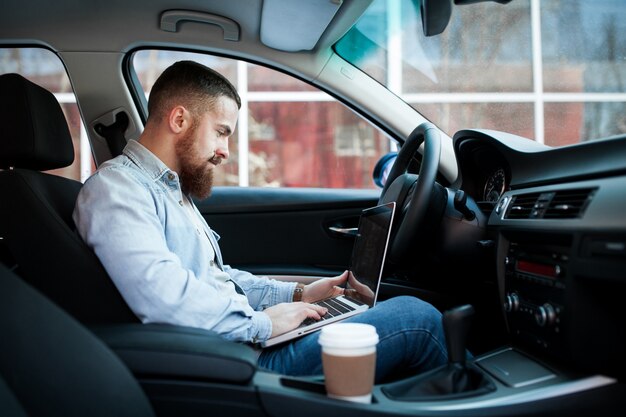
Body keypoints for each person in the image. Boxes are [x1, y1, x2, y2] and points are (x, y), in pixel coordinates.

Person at [73, 60, 448, 382]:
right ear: (180, 119)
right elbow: (167, 302)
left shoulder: (170, 188)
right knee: (418, 318)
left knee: (393, 309)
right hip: (235, 363)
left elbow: (215, 279)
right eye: (221, 132)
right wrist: (266, 324)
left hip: (241, 342)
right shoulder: (116, 190)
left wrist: (298, 295)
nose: (225, 151)